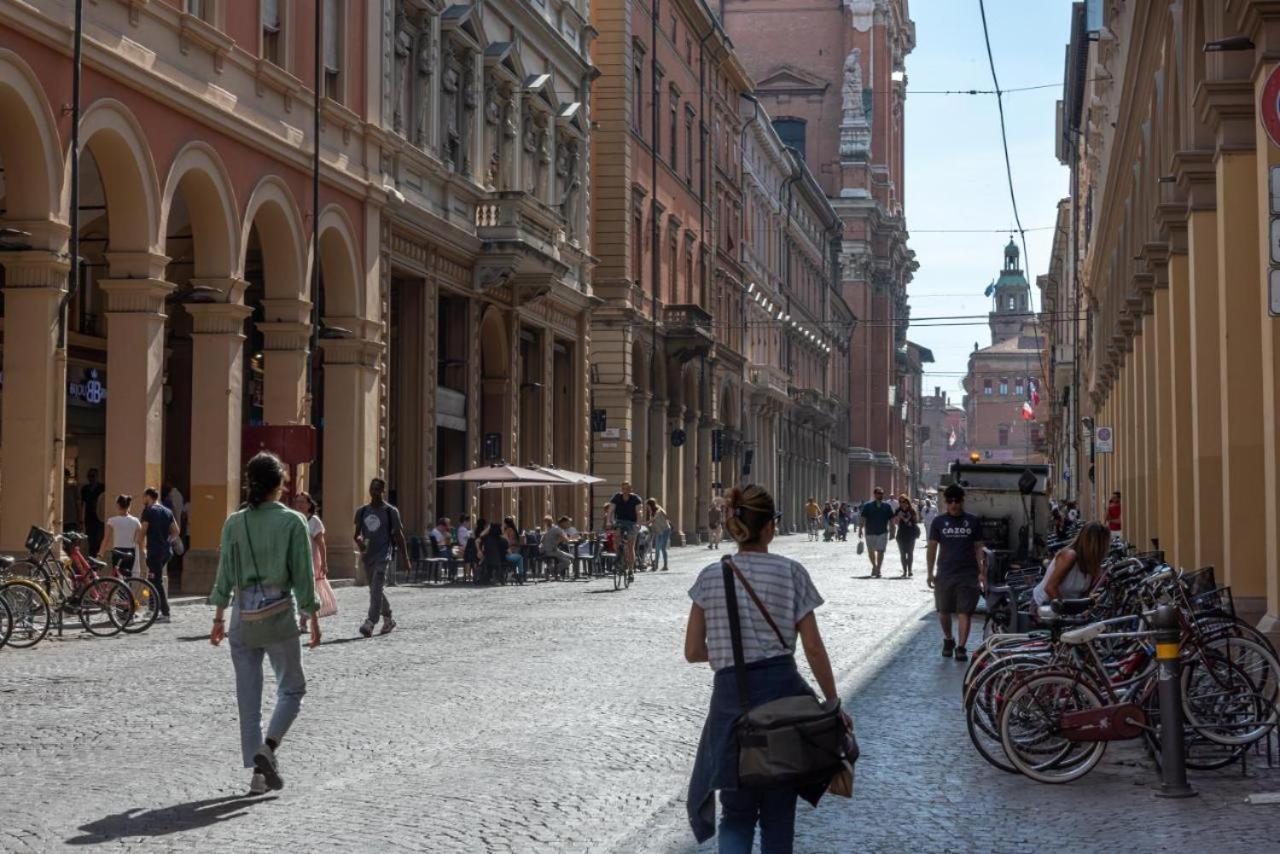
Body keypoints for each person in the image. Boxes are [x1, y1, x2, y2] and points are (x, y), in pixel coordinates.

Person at [684, 485, 848, 851]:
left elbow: (693, 650)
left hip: (731, 710)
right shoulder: (791, 572)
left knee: (737, 815)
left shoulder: (710, 577)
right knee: (779, 815)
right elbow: (814, 649)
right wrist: (833, 702)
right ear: (770, 527)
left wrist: (729, 654)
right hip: (783, 707)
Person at [209, 451, 320, 795]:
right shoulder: (292, 522)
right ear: (280, 485)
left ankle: (258, 776)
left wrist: (218, 617)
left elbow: (225, 572)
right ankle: (267, 749)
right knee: (292, 688)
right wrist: (312, 614)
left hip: (242, 616)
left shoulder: (234, 522)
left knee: (248, 697)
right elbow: (303, 573)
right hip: (277, 616)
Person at [926, 484, 986, 661]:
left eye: (957, 501)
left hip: (967, 573)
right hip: (945, 572)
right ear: (945, 502)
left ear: (962, 501)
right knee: (943, 611)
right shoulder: (938, 522)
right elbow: (932, 548)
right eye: (950, 501)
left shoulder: (973, 521)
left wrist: (982, 571)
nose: (953, 504)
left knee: (964, 611)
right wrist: (930, 572)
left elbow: (979, 548)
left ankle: (961, 647)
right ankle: (949, 639)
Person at [353, 478, 408, 638]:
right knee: (375, 589)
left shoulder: (391, 511)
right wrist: (359, 543)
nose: (375, 492)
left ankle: (370, 622)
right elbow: (356, 535)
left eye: (378, 489)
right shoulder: (362, 511)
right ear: (369, 490)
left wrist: (406, 559)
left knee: (376, 587)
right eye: (372, 489)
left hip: (384, 555)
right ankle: (388, 618)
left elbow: (399, 535)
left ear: (383, 491)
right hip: (367, 556)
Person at [1033, 521, 1110, 606]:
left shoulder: (1094, 566)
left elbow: (1083, 595)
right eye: (1104, 544)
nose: (1106, 549)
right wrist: (1067, 611)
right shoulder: (1070, 556)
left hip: (1068, 609)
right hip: (1045, 606)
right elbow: (1050, 588)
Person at [293, 492, 336, 631]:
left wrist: (324, 562)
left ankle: (304, 620)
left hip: (311, 561)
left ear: (309, 505)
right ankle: (304, 617)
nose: (299, 504)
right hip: (296, 560)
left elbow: (321, 544)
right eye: (297, 501)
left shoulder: (314, 521)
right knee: (298, 589)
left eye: (302, 502)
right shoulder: (294, 519)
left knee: (308, 589)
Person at [138, 487, 179, 623]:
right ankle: (152, 609)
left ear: (149, 497)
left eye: (144, 496)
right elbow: (176, 531)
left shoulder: (148, 511)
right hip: (166, 552)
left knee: (156, 581)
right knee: (153, 578)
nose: (143, 499)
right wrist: (168, 542)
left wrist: (142, 549)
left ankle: (165, 613)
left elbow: (143, 532)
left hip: (154, 551)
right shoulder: (167, 511)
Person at [858, 487, 896, 578]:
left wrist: (892, 531)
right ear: (875, 494)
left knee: (881, 551)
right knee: (871, 551)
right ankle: (874, 566)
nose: (881, 495)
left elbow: (892, 520)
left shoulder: (887, 506)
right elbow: (863, 518)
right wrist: (860, 529)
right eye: (879, 493)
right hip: (870, 532)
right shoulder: (868, 506)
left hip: (883, 532)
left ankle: (878, 569)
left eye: (882, 493)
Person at [606, 481, 644, 572]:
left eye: (627, 489)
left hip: (632, 523)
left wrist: (638, 523)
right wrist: (608, 521)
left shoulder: (636, 498)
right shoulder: (617, 497)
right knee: (616, 539)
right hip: (620, 521)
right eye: (623, 489)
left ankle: (630, 570)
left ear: (631, 489)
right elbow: (610, 510)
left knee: (631, 547)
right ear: (621, 489)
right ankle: (619, 555)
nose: (625, 490)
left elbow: (639, 512)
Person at [100, 494, 141, 577]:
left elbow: (106, 539)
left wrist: (100, 554)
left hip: (117, 551)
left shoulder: (112, 521)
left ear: (118, 505)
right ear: (129, 506)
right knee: (128, 577)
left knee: (117, 577)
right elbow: (138, 540)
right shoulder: (136, 521)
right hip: (131, 551)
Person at [80, 468, 106, 555]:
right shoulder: (85, 489)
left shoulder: (102, 487)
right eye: (89, 476)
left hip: (100, 519)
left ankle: (97, 559)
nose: (91, 478)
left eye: (93, 476)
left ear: (97, 476)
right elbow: (83, 504)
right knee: (91, 541)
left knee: (99, 540)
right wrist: (81, 520)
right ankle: (92, 560)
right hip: (89, 519)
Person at [894, 494, 921, 578]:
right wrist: (899, 517)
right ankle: (904, 571)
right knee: (902, 554)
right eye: (900, 501)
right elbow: (895, 522)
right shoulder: (897, 510)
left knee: (910, 553)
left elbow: (916, 521)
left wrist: (909, 520)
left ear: (907, 501)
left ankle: (910, 570)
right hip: (901, 534)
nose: (902, 503)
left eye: (904, 501)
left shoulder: (912, 510)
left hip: (911, 534)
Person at [540, 515, 572, 580]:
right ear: (563, 523)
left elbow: (542, 540)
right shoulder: (558, 529)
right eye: (567, 523)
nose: (568, 525)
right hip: (551, 551)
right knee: (568, 561)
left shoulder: (551, 529)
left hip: (545, 550)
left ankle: (552, 571)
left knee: (569, 556)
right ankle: (552, 571)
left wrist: (556, 542)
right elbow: (566, 540)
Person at [477, 518, 507, 584]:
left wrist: (489, 528)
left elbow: (480, 536)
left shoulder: (486, 537)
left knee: (489, 568)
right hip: (497, 561)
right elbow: (507, 548)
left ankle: (486, 579)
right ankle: (501, 579)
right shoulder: (501, 539)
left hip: (487, 560)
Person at [647, 498, 672, 571]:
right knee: (657, 548)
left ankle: (665, 566)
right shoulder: (652, 512)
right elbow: (653, 522)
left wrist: (644, 523)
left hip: (665, 530)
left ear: (651, 505)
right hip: (658, 531)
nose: (647, 507)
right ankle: (655, 566)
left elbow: (654, 520)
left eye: (648, 506)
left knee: (663, 548)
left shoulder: (659, 510)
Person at [502, 516, 526, 583]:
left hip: (509, 553)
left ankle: (515, 574)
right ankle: (520, 575)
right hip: (509, 554)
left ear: (506, 523)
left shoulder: (508, 530)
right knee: (520, 558)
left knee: (518, 558)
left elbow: (507, 541)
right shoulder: (512, 530)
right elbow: (508, 542)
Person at [461, 516, 481, 582]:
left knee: (469, 556)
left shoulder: (470, 532)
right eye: (469, 522)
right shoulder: (464, 530)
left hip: (469, 551)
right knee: (473, 557)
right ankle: (474, 575)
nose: (470, 524)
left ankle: (468, 576)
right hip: (472, 551)